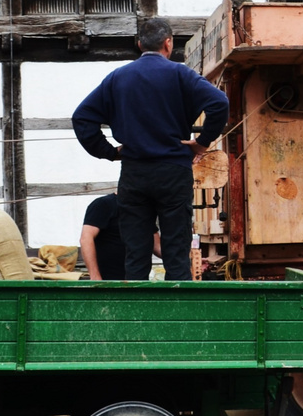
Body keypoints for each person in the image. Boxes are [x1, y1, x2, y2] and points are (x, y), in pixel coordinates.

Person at [71, 17, 230, 281]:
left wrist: (111, 152)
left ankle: (138, 319)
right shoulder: (181, 74)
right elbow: (219, 103)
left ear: (139, 44)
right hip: (173, 171)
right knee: (176, 254)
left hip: (134, 174)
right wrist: (202, 143)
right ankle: (176, 318)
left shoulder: (117, 78)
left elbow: (82, 118)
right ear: (168, 43)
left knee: (135, 255)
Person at [79, 193, 127, 281]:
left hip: (137, 279)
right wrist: (95, 276)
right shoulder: (104, 204)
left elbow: (155, 244)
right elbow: (86, 239)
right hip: (108, 279)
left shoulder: (142, 208)